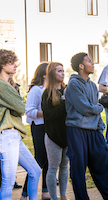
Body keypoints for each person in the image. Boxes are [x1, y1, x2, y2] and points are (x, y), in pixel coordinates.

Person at [65, 52, 108, 200]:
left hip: (94, 131)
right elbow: (85, 108)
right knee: (78, 169)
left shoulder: (92, 85)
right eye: (89, 61)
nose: (93, 63)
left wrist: (99, 126)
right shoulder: (73, 84)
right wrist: (99, 107)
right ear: (81, 66)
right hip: (77, 131)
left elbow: (92, 110)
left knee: (103, 165)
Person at [0, 49, 41, 199]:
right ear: (2, 65)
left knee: (35, 171)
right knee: (8, 180)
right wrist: (16, 106)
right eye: (11, 63)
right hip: (7, 135)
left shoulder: (7, 84)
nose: (15, 65)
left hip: (14, 135)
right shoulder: (2, 85)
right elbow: (20, 107)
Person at [20, 63, 51, 200]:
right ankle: (25, 194)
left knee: (49, 160)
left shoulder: (51, 88)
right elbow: (30, 111)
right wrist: (49, 113)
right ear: (44, 74)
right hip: (39, 127)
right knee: (39, 160)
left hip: (50, 128)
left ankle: (45, 192)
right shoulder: (36, 90)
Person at [41, 62, 69, 200]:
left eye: (63, 71)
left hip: (67, 135)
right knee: (53, 167)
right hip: (53, 136)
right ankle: (54, 197)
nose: (63, 73)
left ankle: (63, 196)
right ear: (52, 73)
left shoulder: (67, 90)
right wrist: (63, 104)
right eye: (59, 71)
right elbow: (48, 115)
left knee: (65, 167)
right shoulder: (47, 93)